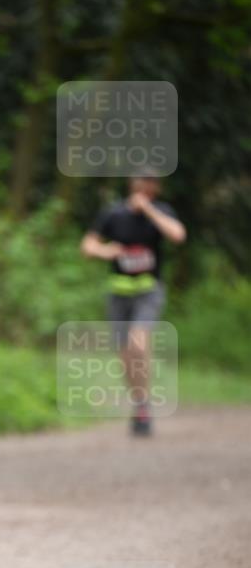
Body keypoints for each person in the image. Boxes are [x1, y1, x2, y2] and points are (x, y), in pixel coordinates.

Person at [80, 174, 186, 435]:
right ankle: (140, 403)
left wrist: (148, 210)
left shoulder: (161, 211)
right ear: (132, 183)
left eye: (153, 181)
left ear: (157, 187)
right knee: (125, 355)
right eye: (143, 179)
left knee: (139, 342)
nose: (147, 185)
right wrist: (106, 251)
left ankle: (142, 405)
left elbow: (178, 235)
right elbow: (87, 245)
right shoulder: (113, 213)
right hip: (118, 294)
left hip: (149, 291)